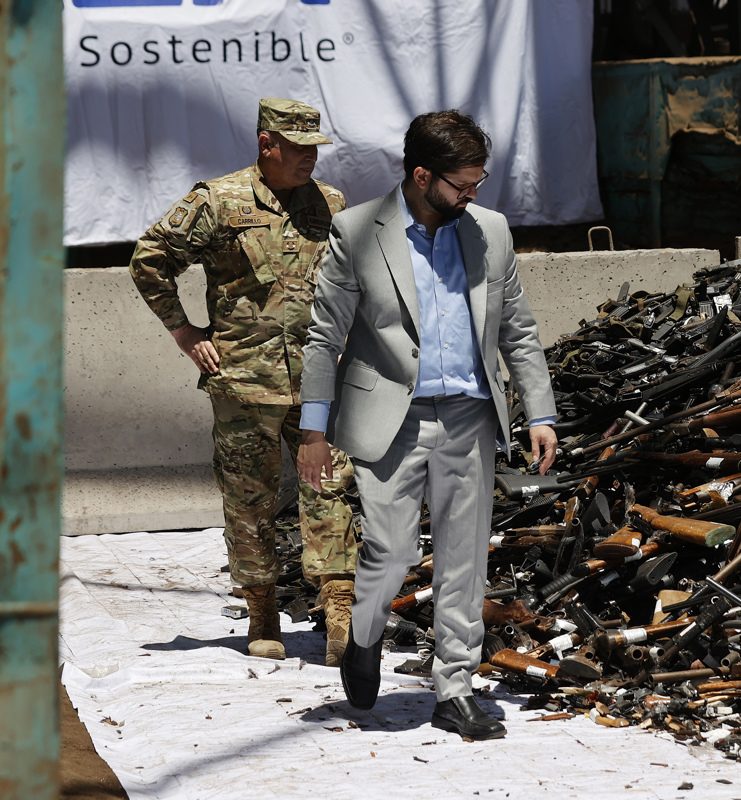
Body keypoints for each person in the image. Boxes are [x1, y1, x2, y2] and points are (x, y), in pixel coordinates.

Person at [296, 110, 557, 740]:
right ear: (421, 175)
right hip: (392, 418)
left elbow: (517, 329)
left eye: (478, 183)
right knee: (392, 552)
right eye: (463, 186)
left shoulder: (489, 232)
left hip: (470, 416)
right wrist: (312, 430)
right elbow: (322, 335)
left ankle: (455, 687)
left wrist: (540, 411)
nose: (474, 197)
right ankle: (363, 635)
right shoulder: (357, 230)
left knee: (464, 559)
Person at [129, 98, 358, 667]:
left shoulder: (329, 204)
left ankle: (340, 610)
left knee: (330, 489)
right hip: (244, 385)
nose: (309, 159)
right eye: (298, 148)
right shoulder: (218, 201)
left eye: (314, 148)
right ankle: (262, 611)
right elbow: (149, 259)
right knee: (250, 500)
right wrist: (184, 332)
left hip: (316, 384)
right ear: (266, 144)